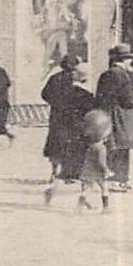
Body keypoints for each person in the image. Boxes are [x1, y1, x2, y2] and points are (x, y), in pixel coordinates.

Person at [96, 44, 133, 192]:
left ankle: (112, 178)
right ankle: (119, 179)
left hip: (108, 114)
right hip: (121, 115)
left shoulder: (107, 74)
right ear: (125, 60)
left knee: (112, 146)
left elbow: (99, 96)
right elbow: (128, 99)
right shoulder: (122, 75)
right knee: (122, 147)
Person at [42, 60, 96, 201]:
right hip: (76, 124)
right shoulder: (83, 92)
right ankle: (81, 187)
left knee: (56, 144)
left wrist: (56, 104)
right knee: (79, 153)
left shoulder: (54, 78)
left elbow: (45, 94)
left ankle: (55, 173)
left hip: (58, 116)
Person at [76, 109, 113, 214]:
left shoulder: (90, 146)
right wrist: (106, 170)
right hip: (98, 173)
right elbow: (101, 162)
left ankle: (79, 207)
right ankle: (105, 208)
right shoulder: (101, 148)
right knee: (105, 188)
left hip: (87, 171)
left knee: (86, 190)